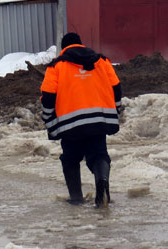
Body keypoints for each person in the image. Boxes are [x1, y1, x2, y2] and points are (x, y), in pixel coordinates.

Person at [40, 32, 123, 206]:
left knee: (70, 158)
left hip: (70, 123)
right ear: (81, 44)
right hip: (98, 120)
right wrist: (116, 108)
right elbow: (116, 87)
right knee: (99, 154)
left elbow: (48, 96)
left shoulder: (56, 66)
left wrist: (47, 116)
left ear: (63, 48)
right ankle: (102, 181)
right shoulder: (102, 61)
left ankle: (76, 198)